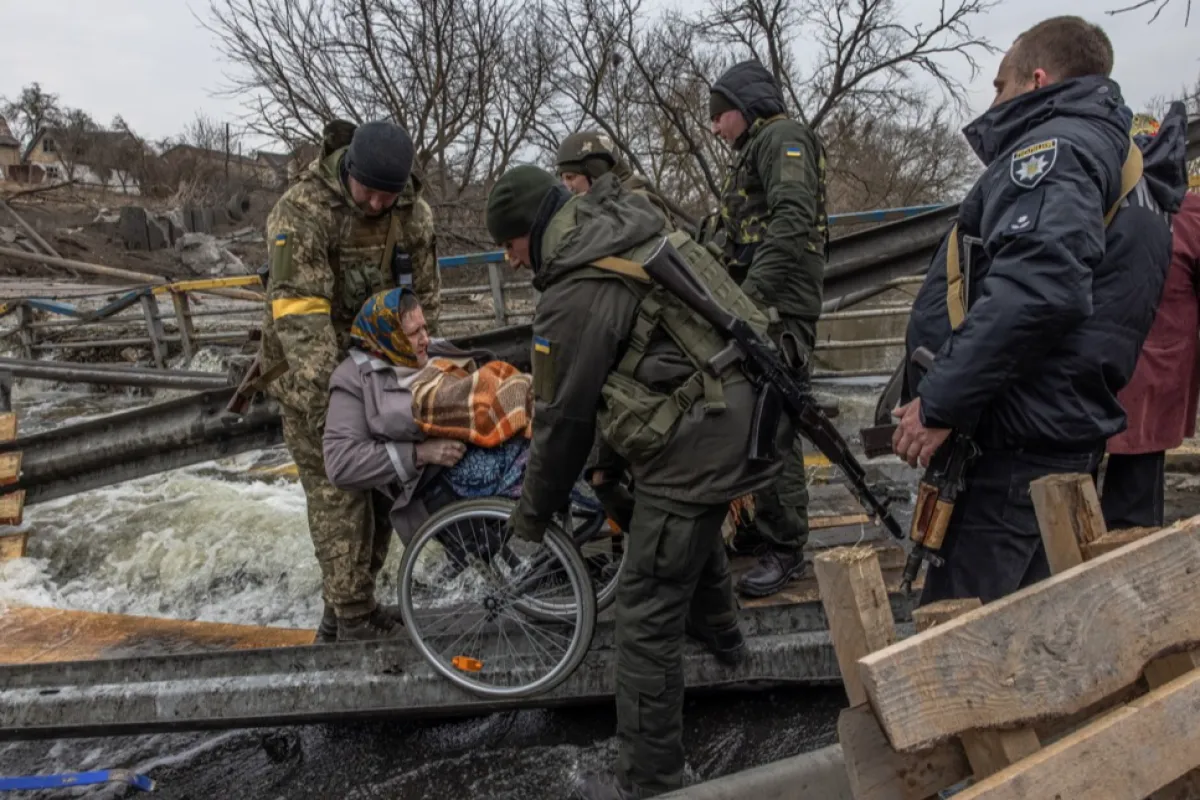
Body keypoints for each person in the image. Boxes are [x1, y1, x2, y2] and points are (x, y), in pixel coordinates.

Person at [485, 164, 787, 799]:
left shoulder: (570, 293)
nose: (510, 263)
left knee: (645, 616)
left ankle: (647, 781)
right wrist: (608, 464)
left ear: (530, 233)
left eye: (509, 247)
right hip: (742, 412)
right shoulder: (620, 226)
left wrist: (529, 522)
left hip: (703, 436)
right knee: (682, 521)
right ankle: (722, 638)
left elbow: (560, 423)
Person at [895, 16, 1189, 605]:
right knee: (1036, 630)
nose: (994, 100)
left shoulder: (1056, 151)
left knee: (962, 642)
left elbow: (1040, 287)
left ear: (1036, 79)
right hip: (1057, 436)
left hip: (1014, 447)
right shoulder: (1129, 170)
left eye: (1000, 86)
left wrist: (943, 400)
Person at [259, 119, 441, 642]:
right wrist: (333, 408)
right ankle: (354, 618)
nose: (379, 205)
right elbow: (300, 319)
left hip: (381, 374)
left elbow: (424, 303)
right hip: (312, 378)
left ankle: (343, 611)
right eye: (369, 193)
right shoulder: (301, 212)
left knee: (385, 489)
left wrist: (424, 380)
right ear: (349, 173)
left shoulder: (413, 214)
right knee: (340, 494)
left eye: (390, 195)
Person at [706, 59, 828, 598]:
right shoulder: (756, 150)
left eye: (718, 115)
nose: (714, 128)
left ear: (744, 106)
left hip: (777, 309)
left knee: (772, 422)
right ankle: (762, 526)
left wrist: (750, 299)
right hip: (760, 304)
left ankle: (786, 546)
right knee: (753, 416)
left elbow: (792, 219)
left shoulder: (784, 137)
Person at [1102, 115, 1200, 530]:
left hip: (1096, 374)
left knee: (1068, 499)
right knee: (1134, 512)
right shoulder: (1186, 210)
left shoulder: (1095, 196)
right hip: (1152, 376)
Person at [555, 130, 693, 232]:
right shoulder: (611, 206)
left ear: (596, 173)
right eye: (563, 179)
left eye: (571, 177)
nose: (567, 186)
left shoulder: (637, 205)